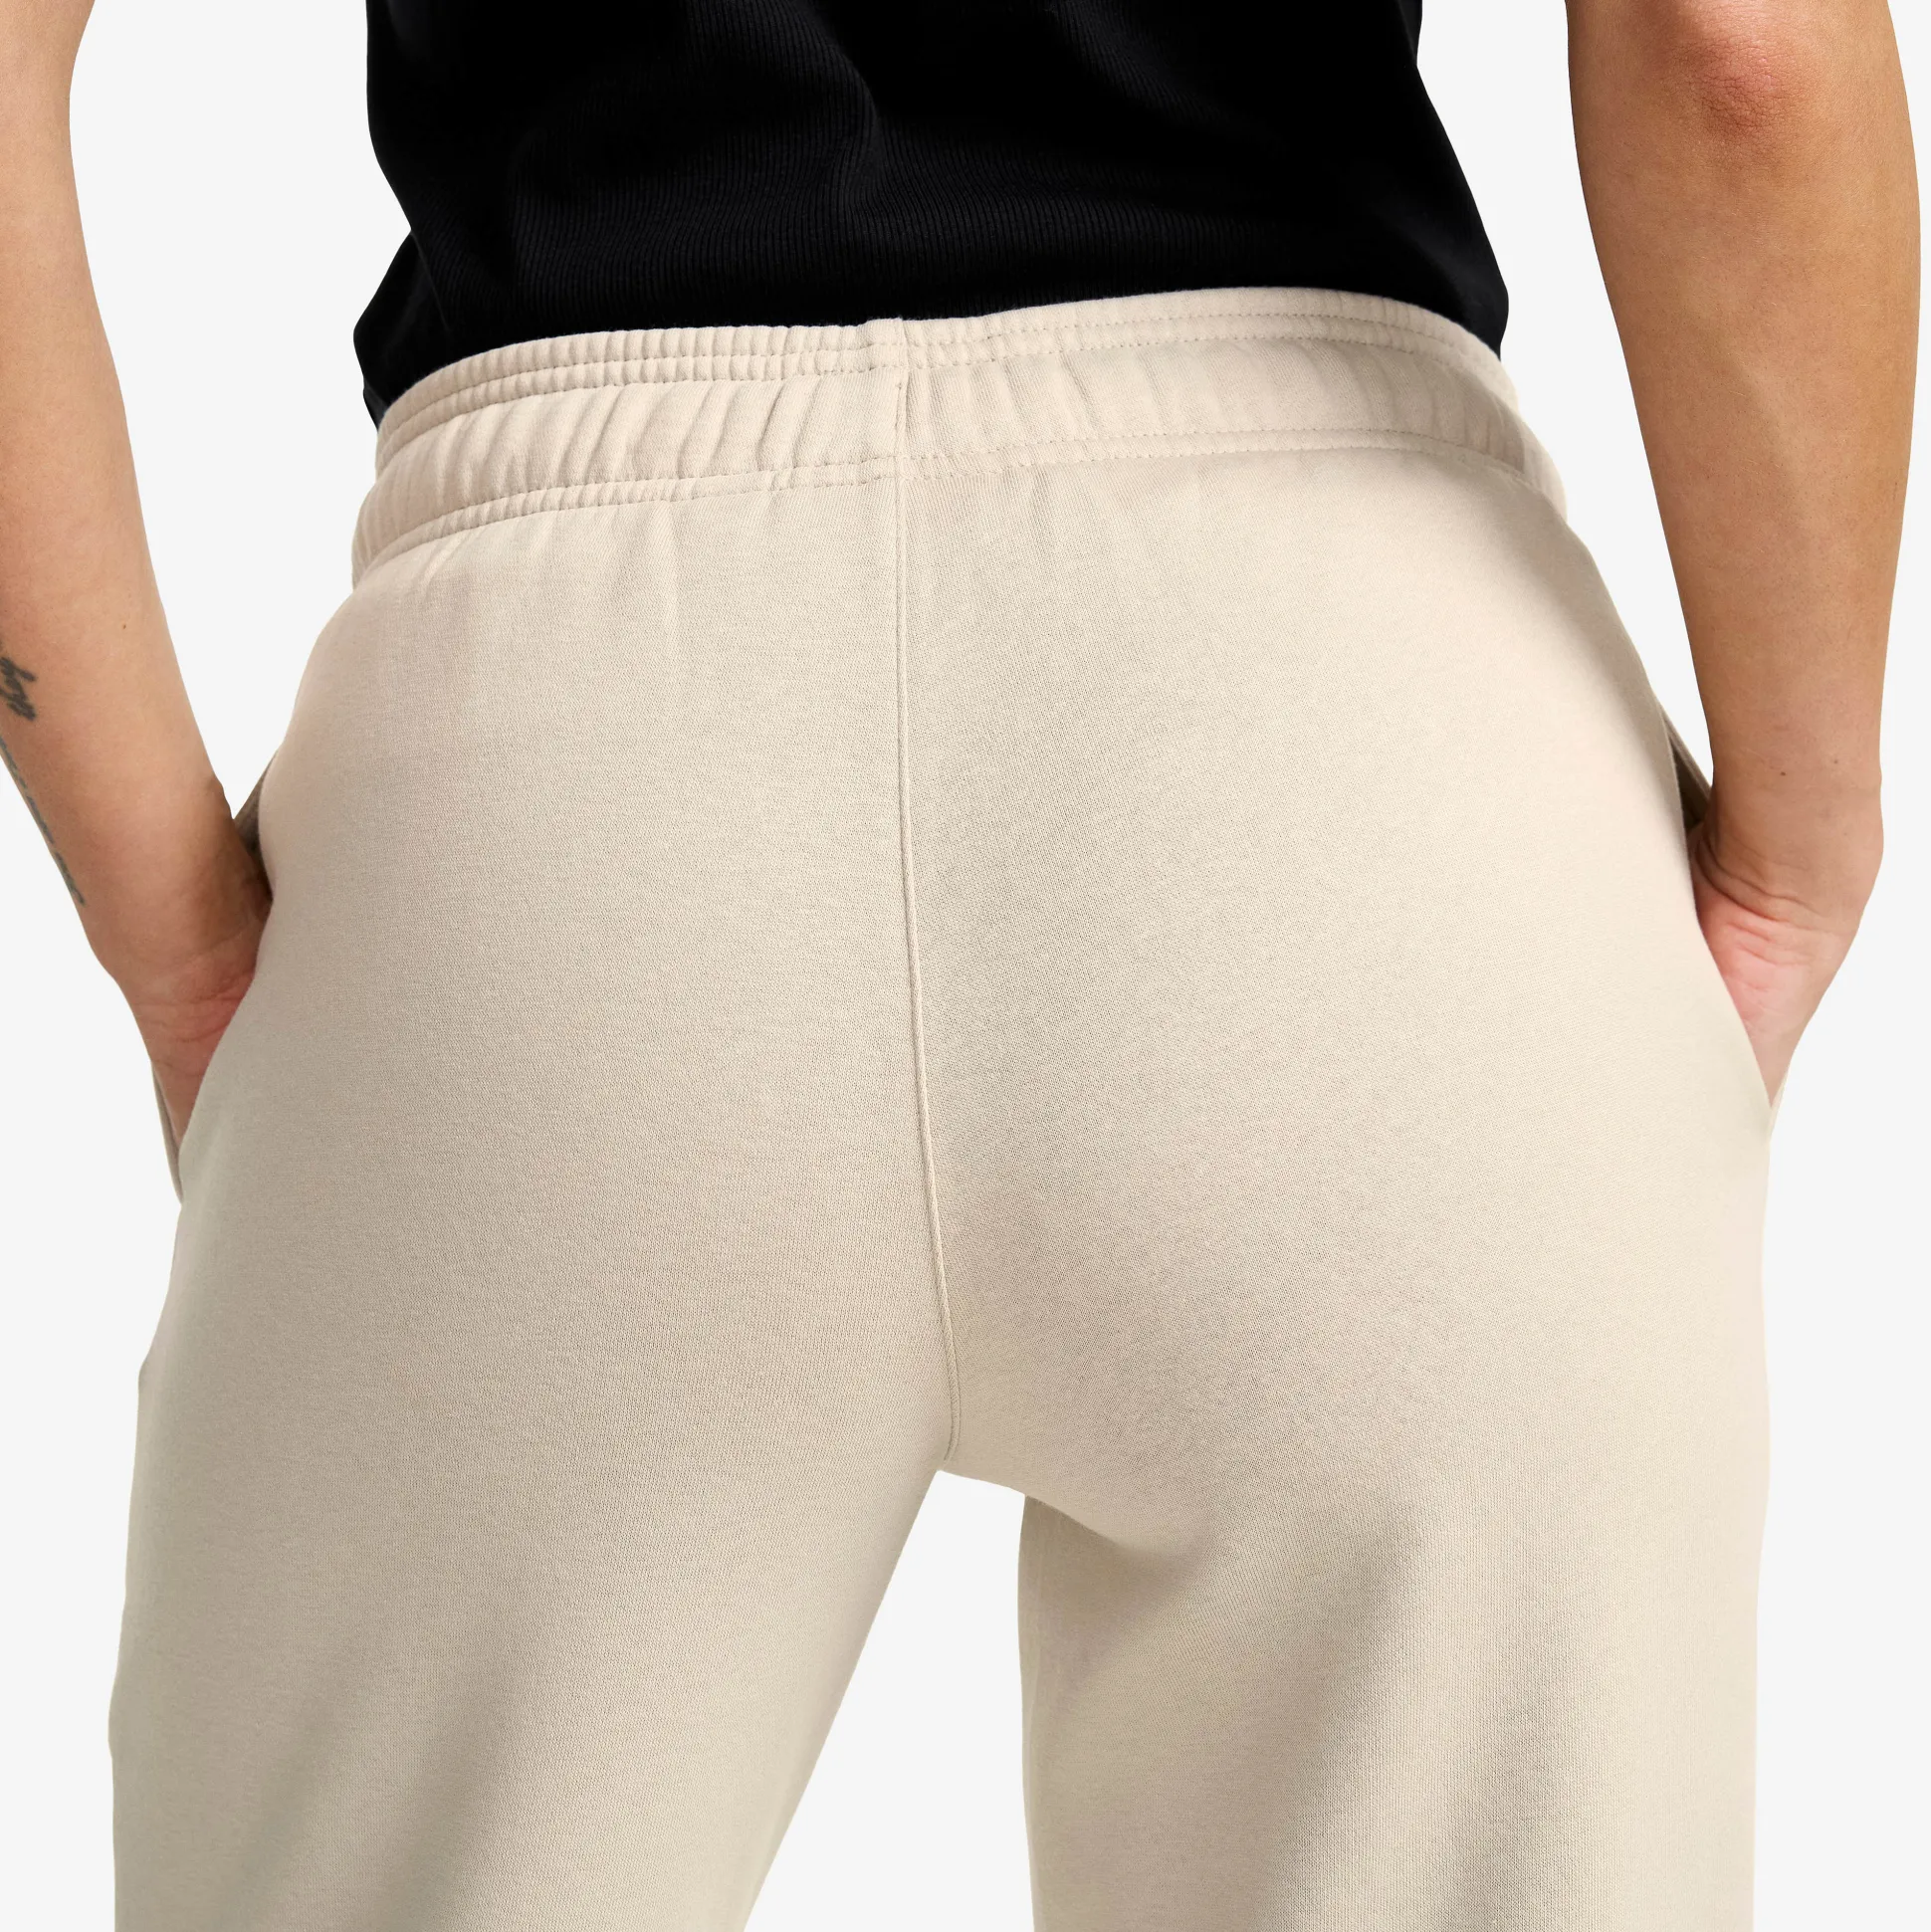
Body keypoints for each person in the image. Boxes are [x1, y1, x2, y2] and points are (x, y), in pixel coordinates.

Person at [0, 0, 1916, 1926]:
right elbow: (1731, 47)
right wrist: (1803, 846)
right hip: (1373, 738)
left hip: (557, 776)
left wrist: (175, 942)